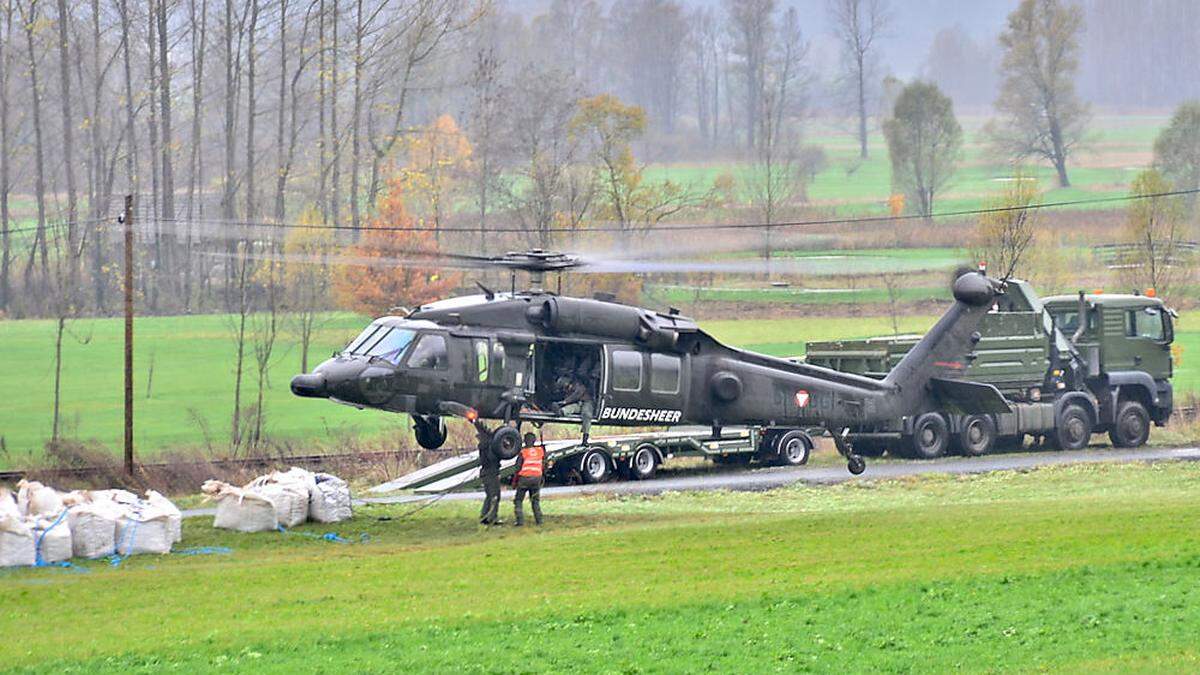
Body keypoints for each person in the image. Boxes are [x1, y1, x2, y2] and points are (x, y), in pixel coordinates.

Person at [512, 432, 545, 526]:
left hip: (524, 479)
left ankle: (520, 521)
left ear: (525, 441)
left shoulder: (523, 452)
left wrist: (514, 482)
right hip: (536, 479)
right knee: (535, 500)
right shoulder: (540, 451)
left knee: (518, 500)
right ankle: (539, 521)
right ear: (534, 441)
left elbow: (517, 468)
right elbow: (544, 462)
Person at [555, 374, 594, 445]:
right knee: (570, 408)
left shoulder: (578, 385)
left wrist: (565, 401)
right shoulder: (567, 390)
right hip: (578, 404)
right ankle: (561, 412)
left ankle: (585, 438)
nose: (566, 389)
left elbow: (576, 395)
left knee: (586, 415)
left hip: (587, 402)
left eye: (566, 387)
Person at [477, 425, 502, 525]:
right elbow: (492, 459)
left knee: (489, 496)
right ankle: (491, 518)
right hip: (491, 473)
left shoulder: (483, 446)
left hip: (486, 473)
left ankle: (484, 516)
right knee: (495, 496)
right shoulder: (488, 447)